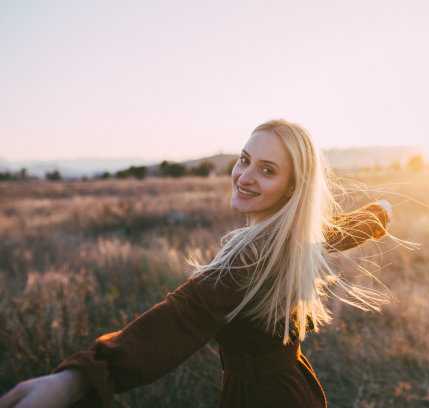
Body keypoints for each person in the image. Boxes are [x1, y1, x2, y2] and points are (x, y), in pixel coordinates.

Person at [0, 119, 392, 408]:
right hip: (292, 390)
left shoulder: (249, 259)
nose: (244, 176)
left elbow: (180, 318)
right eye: (244, 159)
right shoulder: (286, 239)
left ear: (292, 188)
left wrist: (77, 380)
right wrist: (377, 216)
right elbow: (331, 234)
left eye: (267, 170)